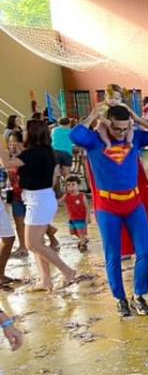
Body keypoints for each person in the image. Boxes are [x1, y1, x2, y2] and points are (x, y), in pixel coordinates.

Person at [71, 105, 148, 314]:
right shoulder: (94, 140)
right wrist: (93, 115)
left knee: (144, 252)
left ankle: (139, 296)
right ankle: (120, 298)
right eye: (117, 129)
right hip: (108, 207)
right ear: (107, 123)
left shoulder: (135, 138)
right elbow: (75, 135)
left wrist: (137, 118)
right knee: (113, 255)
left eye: (125, 128)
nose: (122, 133)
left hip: (134, 204)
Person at [0, 119, 78, 292]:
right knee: (37, 243)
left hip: (38, 201)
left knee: (32, 244)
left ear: (32, 133)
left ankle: (67, 271)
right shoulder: (46, 150)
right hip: (40, 199)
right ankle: (45, 280)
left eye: (25, 130)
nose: (23, 133)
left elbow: (6, 164)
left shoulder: (33, 153)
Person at [95, 85, 134, 151]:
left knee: (130, 126)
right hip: (106, 123)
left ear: (121, 99)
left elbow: (128, 114)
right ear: (105, 97)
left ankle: (129, 141)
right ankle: (107, 142)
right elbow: (98, 116)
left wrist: (130, 120)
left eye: (116, 99)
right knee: (101, 127)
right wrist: (104, 121)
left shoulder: (122, 106)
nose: (113, 101)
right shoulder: (104, 107)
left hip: (120, 125)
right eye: (110, 98)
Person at [62, 174, 89, 252]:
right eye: (68, 185)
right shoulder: (66, 196)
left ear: (78, 185)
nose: (71, 187)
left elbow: (87, 208)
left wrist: (87, 219)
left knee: (80, 232)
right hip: (72, 219)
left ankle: (82, 245)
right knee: (73, 232)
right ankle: (83, 239)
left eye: (73, 184)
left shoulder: (82, 196)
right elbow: (58, 201)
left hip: (81, 218)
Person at [51, 117, 75, 184]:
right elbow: (74, 142)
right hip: (67, 152)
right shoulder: (71, 131)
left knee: (55, 174)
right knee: (67, 174)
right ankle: (68, 189)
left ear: (59, 123)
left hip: (54, 152)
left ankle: (52, 189)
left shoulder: (54, 130)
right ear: (69, 123)